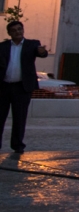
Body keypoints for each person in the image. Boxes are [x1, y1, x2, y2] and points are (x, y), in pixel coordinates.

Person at [0, 21, 49, 155]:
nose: (17, 32)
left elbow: (42, 53)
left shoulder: (31, 44)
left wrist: (42, 51)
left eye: (19, 29)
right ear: (9, 33)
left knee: (20, 118)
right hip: (3, 87)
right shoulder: (3, 46)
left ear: (23, 30)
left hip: (21, 88)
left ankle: (17, 145)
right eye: (14, 30)